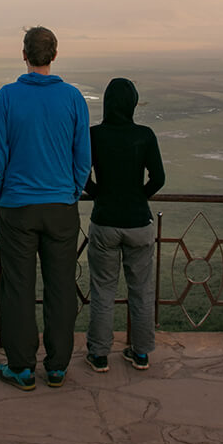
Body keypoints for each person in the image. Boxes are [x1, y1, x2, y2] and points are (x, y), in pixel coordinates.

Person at [0, 26, 91, 390]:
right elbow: (83, 157)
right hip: (61, 205)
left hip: (17, 206)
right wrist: (72, 190)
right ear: (55, 55)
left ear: (24, 55)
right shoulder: (73, 98)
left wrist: (1, 195)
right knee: (61, 287)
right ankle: (58, 366)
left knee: (17, 288)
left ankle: (21, 367)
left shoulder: (7, 97)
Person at [83, 78, 165, 373]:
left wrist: (99, 195)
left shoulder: (94, 135)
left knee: (103, 290)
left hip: (105, 222)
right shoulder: (144, 135)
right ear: (133, 103)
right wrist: (137, 199)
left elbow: (81, 173)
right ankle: (141, 353)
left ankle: (99, 354)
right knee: (141, 290)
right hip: (138, 224)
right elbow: (158, 178)